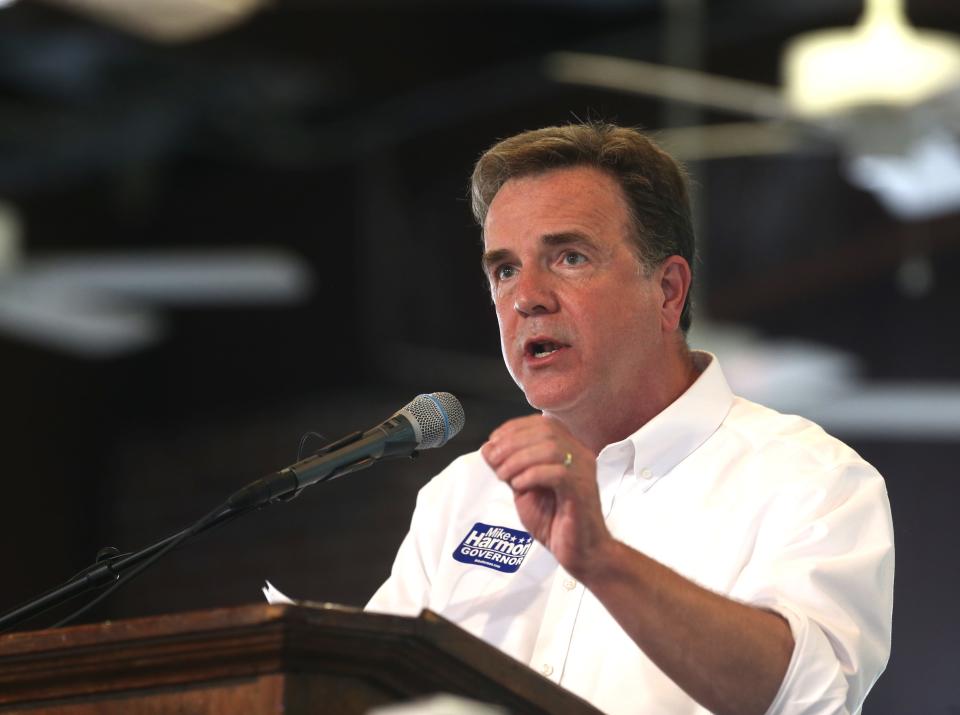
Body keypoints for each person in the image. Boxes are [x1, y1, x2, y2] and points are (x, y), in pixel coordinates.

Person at [367, 122, 894, 715]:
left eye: (568, 256)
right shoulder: (462, 494)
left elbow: (803, 697)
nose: (526, 297)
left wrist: (602, 559)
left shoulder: (810, 480)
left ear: (667, 290)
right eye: (505, 269)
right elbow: (366, 691)